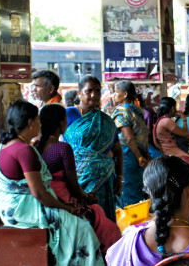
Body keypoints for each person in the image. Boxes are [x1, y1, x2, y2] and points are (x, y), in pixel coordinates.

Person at [0, 101, 107, 266]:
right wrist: (65, 207)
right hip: (25, 211)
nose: (40, 125)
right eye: (37, 121)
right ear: (30, 122)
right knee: (82, 229)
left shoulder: (5, 146)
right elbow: (39, 193)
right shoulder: (24, 150)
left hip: (8, 208)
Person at [34, 104, 121, 254]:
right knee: (107, 226)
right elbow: (74, 186)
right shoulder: (63, 148)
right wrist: (87, 197)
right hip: (63, 201)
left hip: (46, 202)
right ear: (62, 123)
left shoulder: (36, 146)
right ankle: (103, 264)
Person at [65, 75, 123, 214]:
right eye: (88, 91)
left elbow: (117, 149)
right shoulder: (68, 114)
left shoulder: (105, 121)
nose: (94, 95)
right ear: (79, 93)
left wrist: (120, 177)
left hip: (104, 181)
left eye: (97, 91)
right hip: (76, 180)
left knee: (102, 218)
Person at [111, 80, 153, 208]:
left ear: (124, 94)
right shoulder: (137, 111)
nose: (113, 95)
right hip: (138, 155)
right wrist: (143, 155)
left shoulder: (122, 111)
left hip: (128, 155)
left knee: (128, 191)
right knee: (136, 189)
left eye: (116, 92)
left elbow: (128, 138)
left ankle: (131, 224)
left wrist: (138, 156)